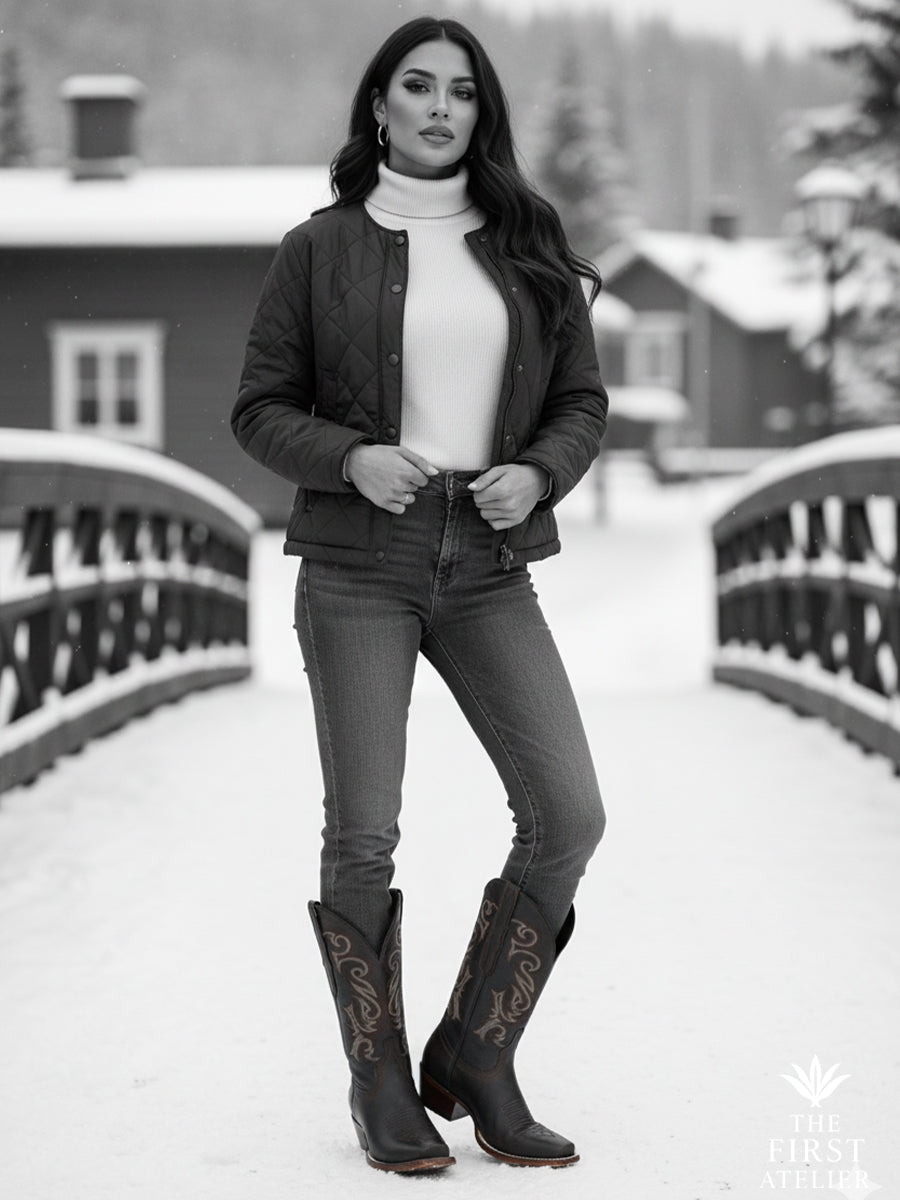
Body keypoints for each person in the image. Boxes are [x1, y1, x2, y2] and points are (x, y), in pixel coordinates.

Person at [232, 14, 608, 1176]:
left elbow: (582, 402)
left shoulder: (527, 244)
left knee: (569, 811)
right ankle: (380, 1081)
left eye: (461, 92)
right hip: (360, 565)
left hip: (489, 567)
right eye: (419, 87)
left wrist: (541, 471)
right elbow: (257, 408)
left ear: (479, 113)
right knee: (365, 832)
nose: (441, 108)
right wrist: (349, 456)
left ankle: (476, 1051)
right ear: (381, 107)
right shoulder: (321, 247)